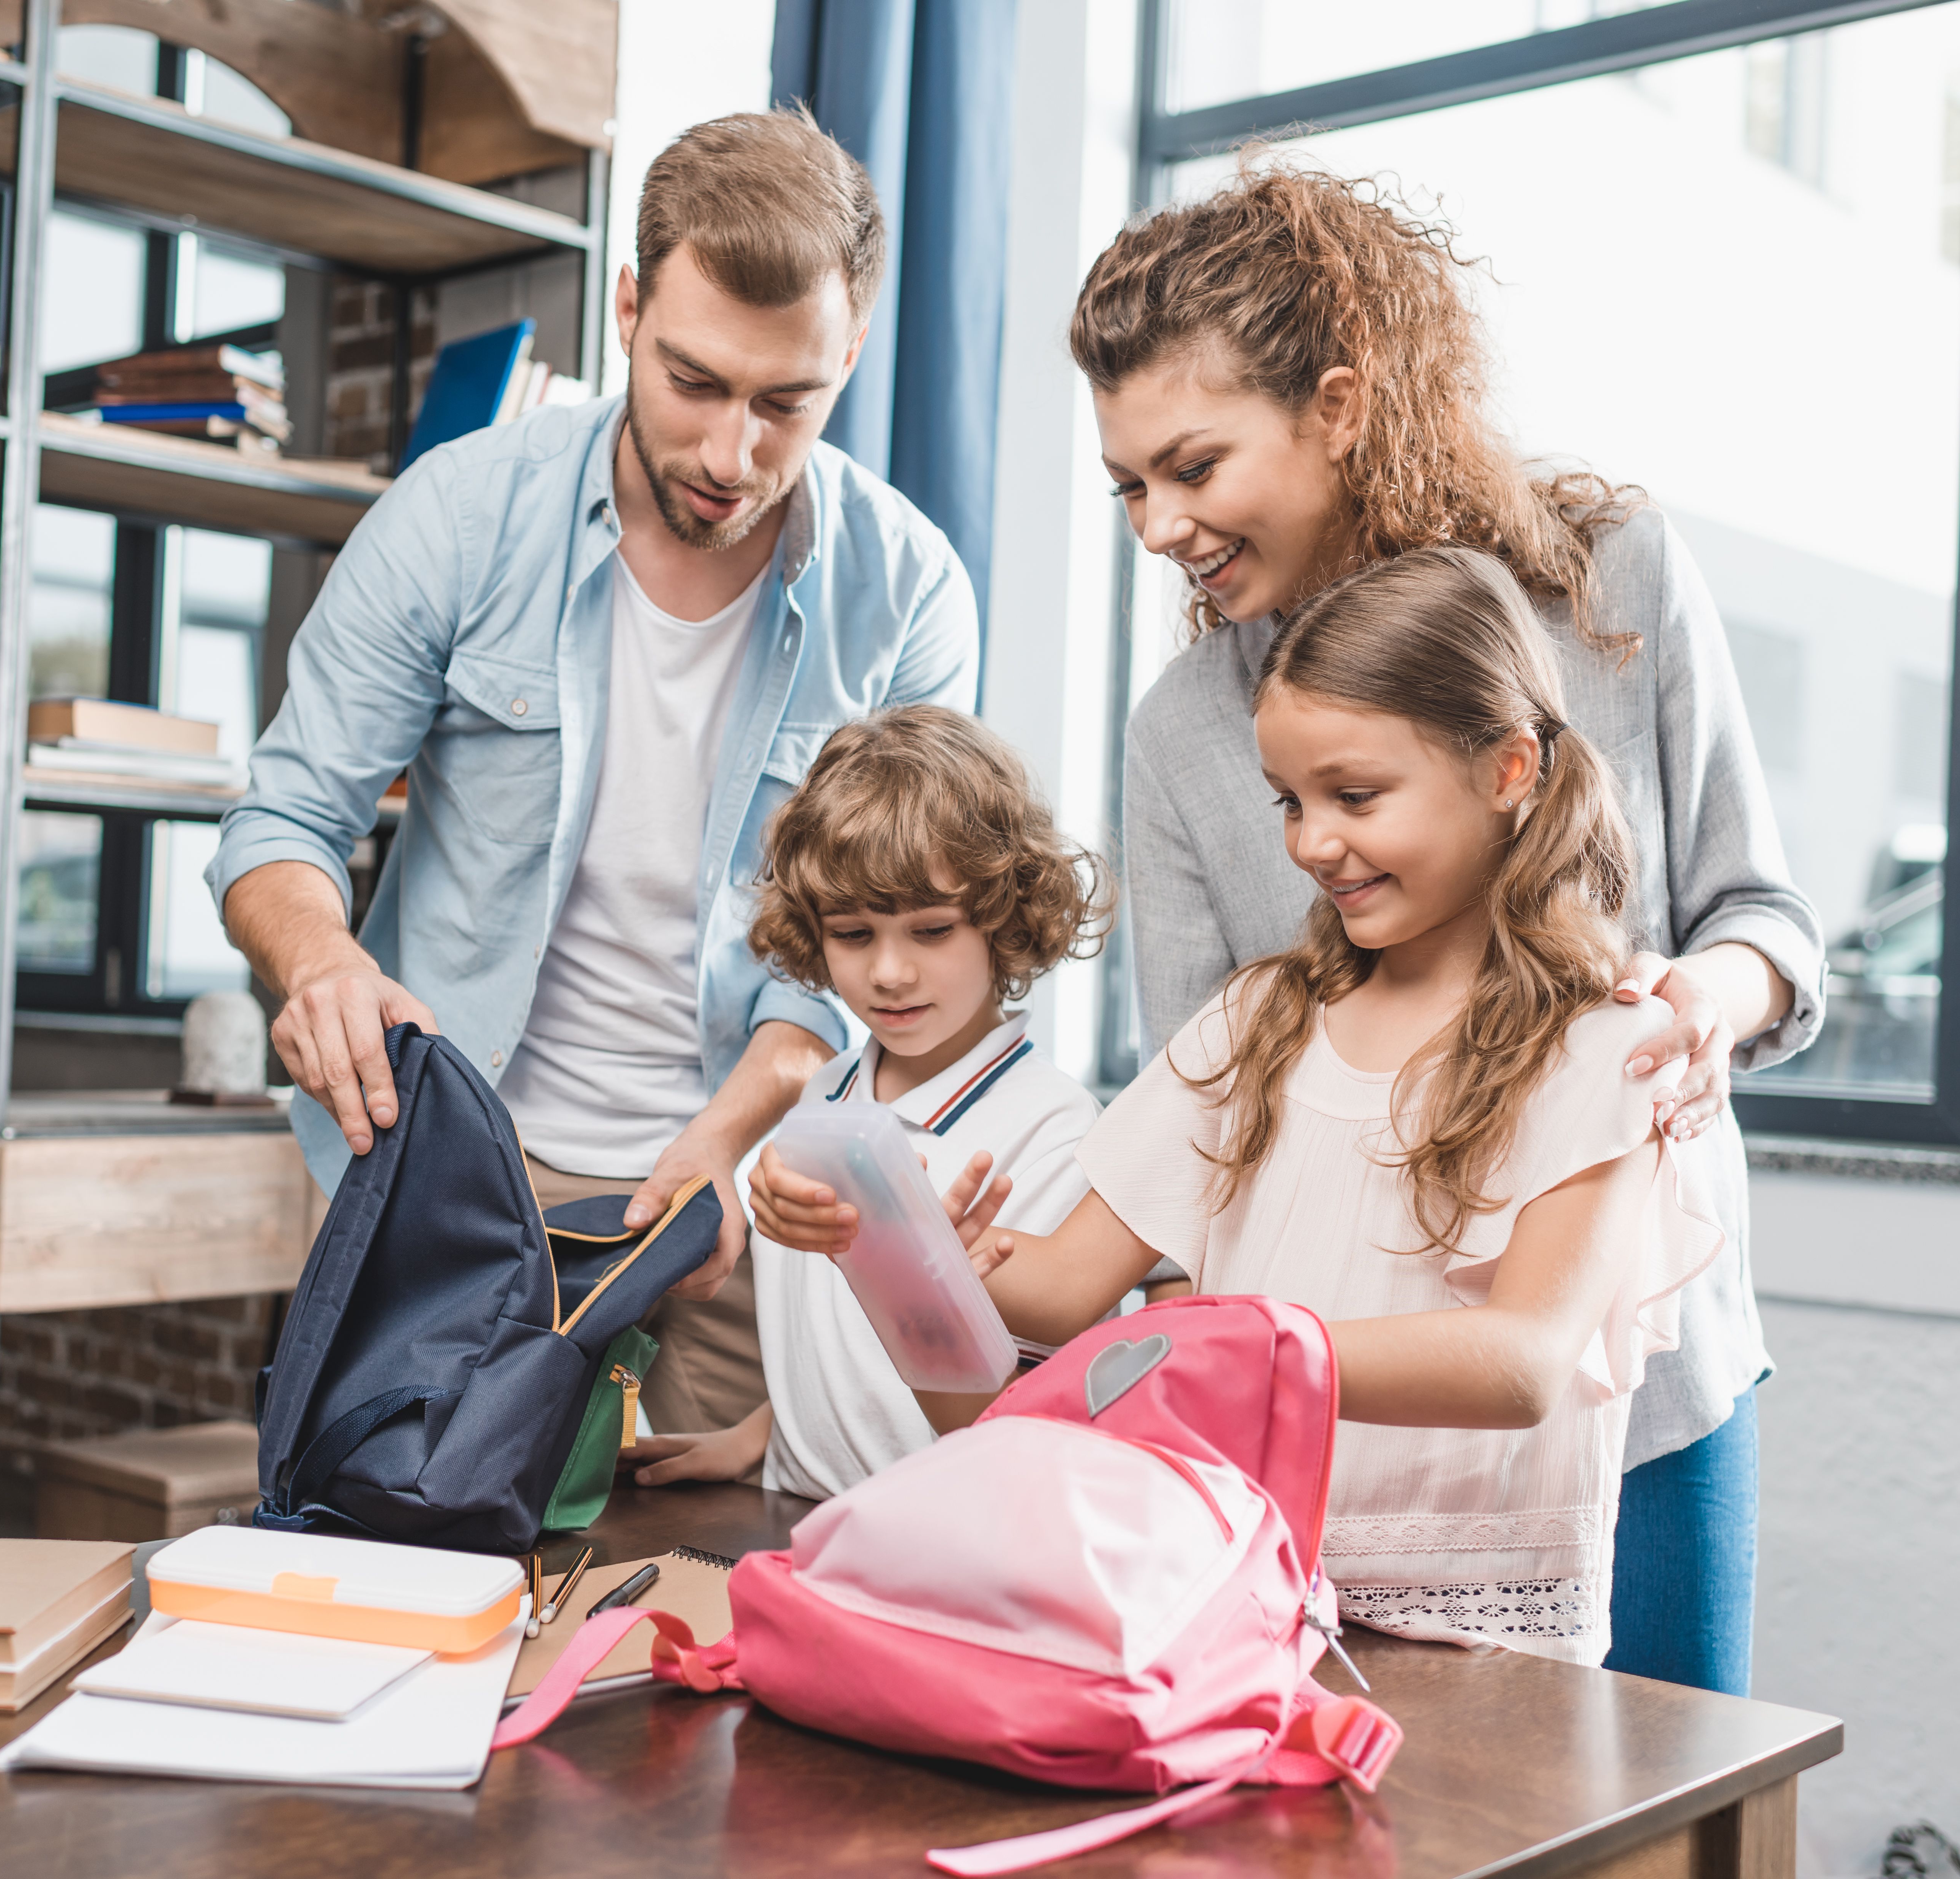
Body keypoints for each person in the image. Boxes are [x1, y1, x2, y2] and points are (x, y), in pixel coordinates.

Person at [1071, 159, 1818, 1696]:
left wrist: (1707, 1003)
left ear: (1338, 406)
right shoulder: (1186, 732)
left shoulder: (1608, 584)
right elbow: (1203, 1128)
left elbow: (1762, 917)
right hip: (1352, 1455)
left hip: (1643, 1387)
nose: (1159, 525)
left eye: (1193, 466)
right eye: (1129, 484)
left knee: (1666, 1817)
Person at [207, 110, 980, 1441]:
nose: (731, 456)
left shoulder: (909, 592)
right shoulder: (455, 517)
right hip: (446, 1169)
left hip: (739, 1180)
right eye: (694, 382)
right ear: (628, 309)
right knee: (402, 1554)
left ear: (849, 354)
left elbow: (857, 954)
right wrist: (322, 964)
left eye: (786, 402)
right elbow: (284, 820)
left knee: (690, 1605)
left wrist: (729, 1143)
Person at [864, 547, 1722, 1669]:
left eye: (1355, 797)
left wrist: (1243, 1347)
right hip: (1236, 1608)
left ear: (1510, 768)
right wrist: (903, 1241)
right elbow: (1068, 1290)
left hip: (1475, 1655)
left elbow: (1523, 1364)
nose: (1313, 843)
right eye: (1291, 802)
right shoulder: (1259, 1020)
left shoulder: (1607, 1047)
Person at [628, 704, 1108, 1497]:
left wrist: (908, 1252)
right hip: (789, 1509)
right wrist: (759, 1436)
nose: (888, 972)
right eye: (853, 934)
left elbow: (1017, 1413)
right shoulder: (825, 1090)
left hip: (938, 1539)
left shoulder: (1055, 1128)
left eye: (930, 930)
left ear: (1004, 917)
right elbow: (833, 1343)